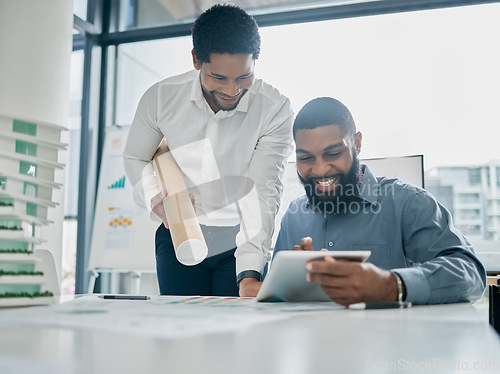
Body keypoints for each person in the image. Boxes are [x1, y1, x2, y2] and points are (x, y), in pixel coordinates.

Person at [123, 4, 293, 297]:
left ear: (255, 62)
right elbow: (136, 157)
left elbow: (264, 193)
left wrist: (251, 271)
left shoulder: (275, 109)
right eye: (219, 78)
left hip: (239, 238)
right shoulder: (161, 99)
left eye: (243, 78)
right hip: (179, 231)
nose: (231, 90)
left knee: (234, 335)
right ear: (196, 60)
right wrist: (155, 196)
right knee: (181, 332)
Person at [271, 97, 486, 306]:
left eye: (334, 153)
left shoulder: (408, 203)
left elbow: (471, 273)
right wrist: (295, 280)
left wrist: (391, 285)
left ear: (357, 144)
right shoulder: (294, 216)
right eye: (306, 158)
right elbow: (272, 294)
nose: (319, 169)